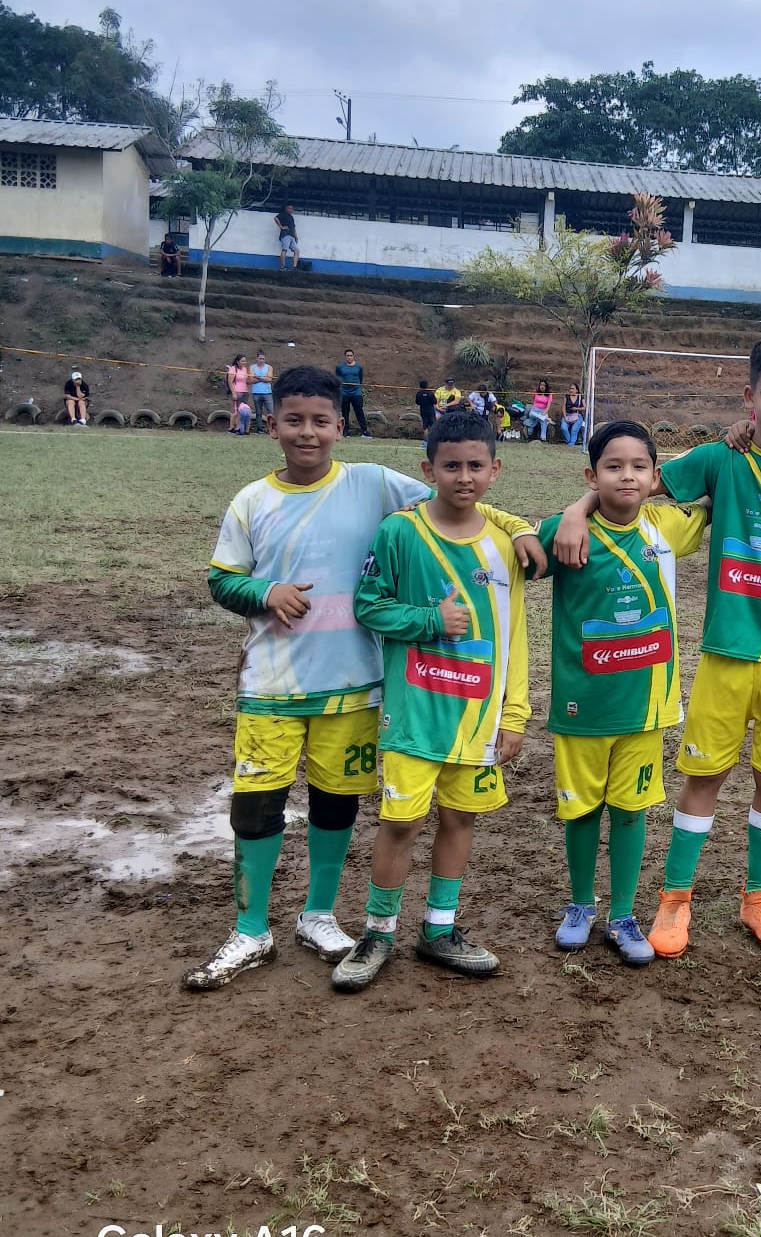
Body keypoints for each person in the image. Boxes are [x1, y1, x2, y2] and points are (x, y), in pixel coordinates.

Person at [181, 370, 541, 992]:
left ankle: (318, 916)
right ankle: (250, 929)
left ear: (339, 426)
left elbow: (462, 497)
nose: (308, 433)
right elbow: (221, 579)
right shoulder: (251, 501)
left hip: (354, 685)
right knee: (257, 805)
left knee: (336, 802)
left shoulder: (371, 482)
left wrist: (521, 526)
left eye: (321, 421)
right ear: (271, 425)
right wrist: (264, 592)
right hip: (270, 685)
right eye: (294, 420)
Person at [551, 336, 761, 958]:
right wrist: (578, 509)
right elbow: (637, 482)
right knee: (703, 774)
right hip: (725, 652)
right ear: (749, 396)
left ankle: (759, 899)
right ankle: (674, 901)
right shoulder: (720, 458)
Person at [331, 409, 533, 991]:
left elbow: (514, 636)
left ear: (496, 469)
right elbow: (368, 606)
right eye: (451, 466)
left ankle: (439, 930)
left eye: (475, 466)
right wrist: (429, 620)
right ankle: (377, 933)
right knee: (401, 823)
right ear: (428, 470)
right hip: (415, 714)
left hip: (480, 718)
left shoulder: (505, 545)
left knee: (460, 818)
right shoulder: (400, 532)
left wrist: (514, 714)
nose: (464, 477)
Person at [539, 421, 711, 966]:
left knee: (632, 810)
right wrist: (576, 511)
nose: (627, 476)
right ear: (591, 475)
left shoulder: (667, 527)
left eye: (640, 467)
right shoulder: (564, 532)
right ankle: (580, 905)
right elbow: (514, 547)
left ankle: (622, 914)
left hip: (645, 707)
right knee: (582, 810)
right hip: (582, 705)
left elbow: (715, 486)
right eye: (613, 467)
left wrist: (736, 436)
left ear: (656, 476)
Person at [335, 348, 371, 438]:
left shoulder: (359, 367)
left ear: (353, 356)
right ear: (345, 356)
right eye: (348, 356)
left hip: (356, 393)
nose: (349, 357)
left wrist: (357, 386)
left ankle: (364, 431)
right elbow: (337, 378)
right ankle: (345, 432)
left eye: (351, 355)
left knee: (359, 412)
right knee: (345, 413)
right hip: (344, 393)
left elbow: (360, 378)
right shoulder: (340, 367)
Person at [246, 351, 273, 432]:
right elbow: (251, 380)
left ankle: (272, 428)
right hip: (256, 392)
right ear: (257, 359)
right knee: (258, 412)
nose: (262, 360)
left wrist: (257, 377)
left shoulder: (269, 367)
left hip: (267, 392)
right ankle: (259, 428)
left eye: (263, 359)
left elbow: (269, 379)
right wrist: (263, 378)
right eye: (260, 358)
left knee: (271, 411)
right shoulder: (252, 367)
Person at [226, 355, 250, 434]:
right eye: (242, 361)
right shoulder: (233, 369)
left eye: (245, 361)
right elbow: (230, 382)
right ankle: (231, 428)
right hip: (237, 391)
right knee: (236, 411)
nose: (244, 362)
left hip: (245, 392)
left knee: (241, 411)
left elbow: (246, 380)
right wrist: (233, 393)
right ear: (237, 361)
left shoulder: (245, 369)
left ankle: (238, 427)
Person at [275, 206, 299, 271]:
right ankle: (282, 267)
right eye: (289, 208)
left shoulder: (291, 217)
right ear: (286, 209)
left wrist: (296, 236)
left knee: (297, 251)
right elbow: (276, 218)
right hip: (285, 235)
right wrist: (281, 227)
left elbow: (293, 227)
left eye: (292, 209)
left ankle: (294, 267)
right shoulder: (283, 214)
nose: (291, 210)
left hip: (292, 236)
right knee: (284, 250)